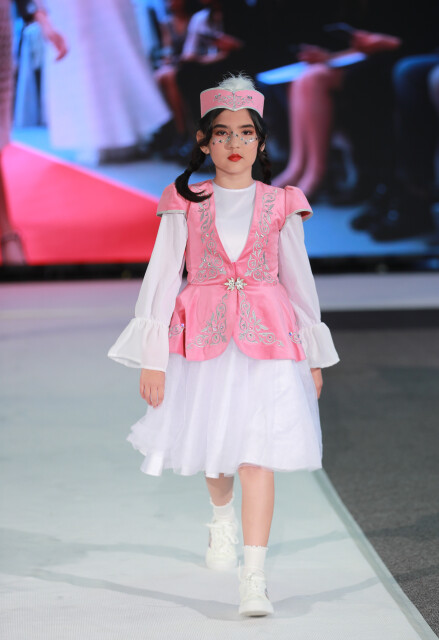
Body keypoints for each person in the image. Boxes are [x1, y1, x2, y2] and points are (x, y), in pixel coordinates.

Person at [108, 73, 339, 617]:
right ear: (204, 141)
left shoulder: (282, 202)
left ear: (261, 141)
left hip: (270, 339)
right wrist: (153, 359)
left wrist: (313, 355)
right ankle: (220, 517)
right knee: (217, 448)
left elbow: (298, 279)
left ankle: (253, 577)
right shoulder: (186, 201)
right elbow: (162, 277)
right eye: (222, 133)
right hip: (204, 337)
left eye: (245, 133)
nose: (234, 144)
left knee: (258, 453)